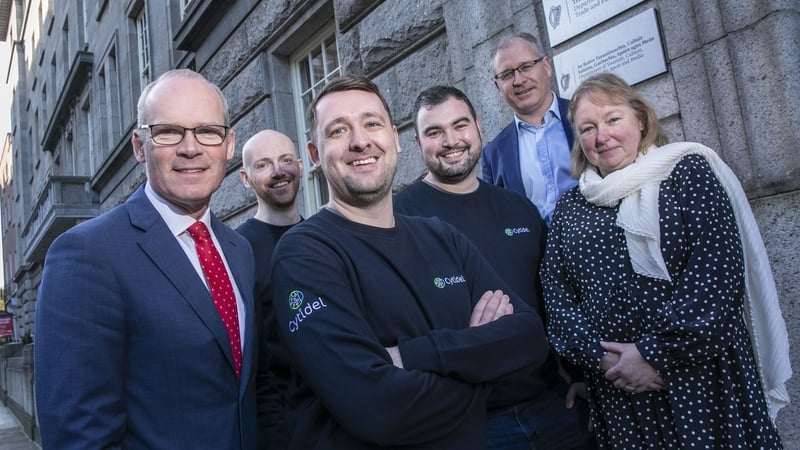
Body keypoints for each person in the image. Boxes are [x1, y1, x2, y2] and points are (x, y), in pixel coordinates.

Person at [270, 75, 550, 449]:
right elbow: (377, 407)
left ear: (395, 138)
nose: (359, 141)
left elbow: (529, 338)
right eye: (338, 130)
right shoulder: (304, 253)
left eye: (372, 124)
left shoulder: (442, 236)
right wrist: (482, 363)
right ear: (315, 155)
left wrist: (412, 354)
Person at [541, 72, 790, 448]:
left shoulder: (688, 173)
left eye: (613, 119)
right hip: (620, 392)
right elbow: (557, 297)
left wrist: (652, 355)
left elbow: (717, 277)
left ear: (640, 120)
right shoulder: (570, 207)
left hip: (701, 379)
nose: (602, 136)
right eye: (588, 128)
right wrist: (604, 359)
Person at [34, 69, 258, 449]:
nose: (191, 148)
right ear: (140, 147)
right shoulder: (88, 253)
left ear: (229, 144)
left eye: (208, 131)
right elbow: (79, 434)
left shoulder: (239, 250)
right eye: (169, 132)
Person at [394, 85, 595, 449]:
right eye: (434, 132)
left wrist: (580, 374)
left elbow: (555, 299)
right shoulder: (399, 219)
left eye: (460, 125)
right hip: (468, 422)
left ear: (478, 126)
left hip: (554, 405)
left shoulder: (518, 208)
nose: (451, 141)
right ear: (417, 143)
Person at [237, 129, 304, 450]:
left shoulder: (322, 238)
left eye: (286, 160)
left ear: (301, 166)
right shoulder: (238, 250)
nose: (279, 171)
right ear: (245, 179)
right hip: (276, 425)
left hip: (336, 415)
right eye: (263, 165)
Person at [481, 31, 576, 226]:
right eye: (507, 74)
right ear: (498, 87)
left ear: (547, 66)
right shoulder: (493, 155)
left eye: (526, 67)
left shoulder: (584, 117)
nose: (519, 80)